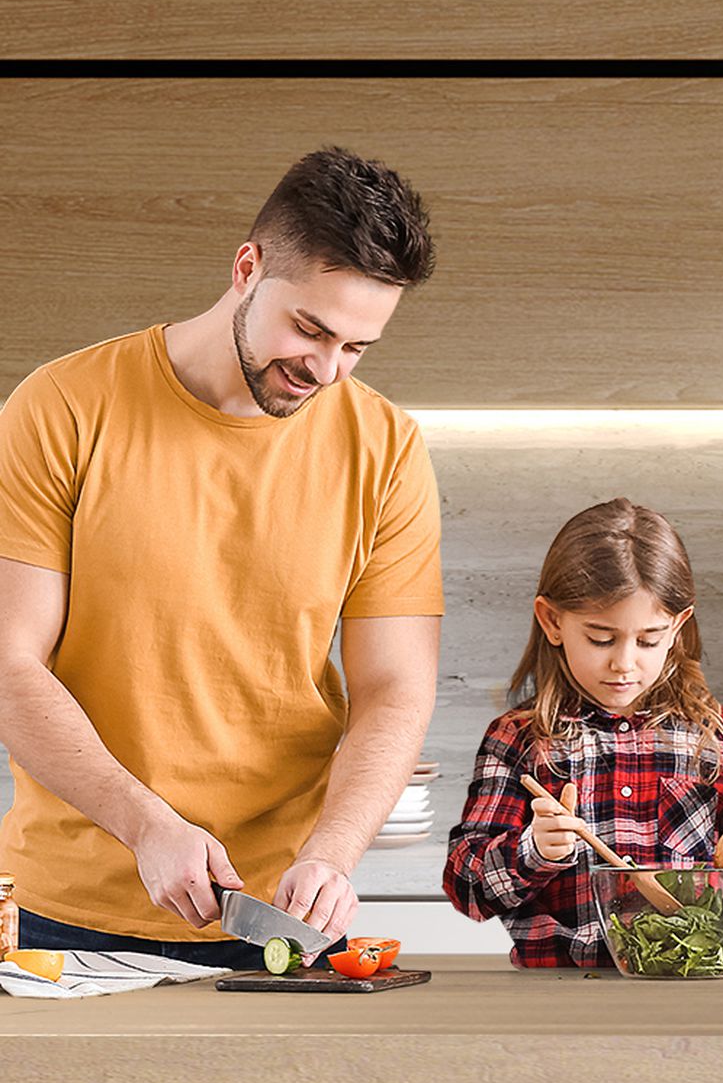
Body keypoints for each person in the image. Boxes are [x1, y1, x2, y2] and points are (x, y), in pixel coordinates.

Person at [0, 148, 444, 964]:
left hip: (286, 911)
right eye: (310, 328)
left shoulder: (386, 449)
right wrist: (147, 826)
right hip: (69, 914)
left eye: (357, 348)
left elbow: (395, 688)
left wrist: (333, 855)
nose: (324, 368)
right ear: (247, 268)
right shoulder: (62, 409)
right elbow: (12, 664)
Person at [444, 499, 723, 968]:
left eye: (648, 640)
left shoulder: (721, 737)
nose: (624, 662)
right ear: (552, 621)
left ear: (677, 628)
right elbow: (466, 889)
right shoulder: (518, 739)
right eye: (601, 638)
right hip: (557, 1000)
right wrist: (532, 851)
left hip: (690, 994)